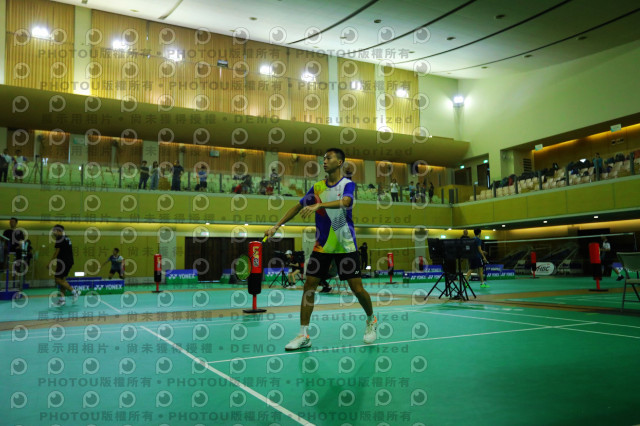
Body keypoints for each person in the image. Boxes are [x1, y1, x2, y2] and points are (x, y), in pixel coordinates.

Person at [264, 147, 376, 351]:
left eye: (328, 158)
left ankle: (371, 319)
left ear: (339, 162)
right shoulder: (317, 187)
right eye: (323, 158)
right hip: (322, 245)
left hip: (344, 243)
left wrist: (320, 205)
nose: (324, 161)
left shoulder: (347, 184)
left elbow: (346, 201)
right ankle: (303, 335)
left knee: (357, 288)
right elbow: (297, 207)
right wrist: (276, 226)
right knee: (309, 286)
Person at [50, 224, 78, 306]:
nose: (53, 232)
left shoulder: (59, 238)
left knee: (57, 279)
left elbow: (57, 251)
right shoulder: (67, 238)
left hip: (63, 262)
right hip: (68, 261)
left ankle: (74, 291)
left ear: (58, 231)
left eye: (54, 231)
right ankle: (62, 300)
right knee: (62, 280)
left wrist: (50, 262)